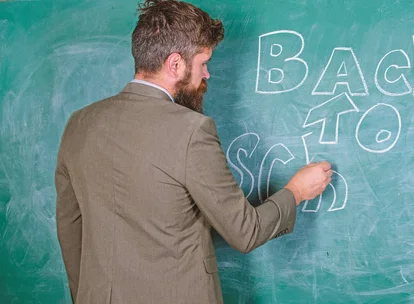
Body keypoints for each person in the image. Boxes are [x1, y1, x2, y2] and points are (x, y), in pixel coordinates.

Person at [54, 0, 332, 303]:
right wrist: (297, 191)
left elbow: (70, 228)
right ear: (175, 64)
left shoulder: (79, 124)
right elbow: (244, 231)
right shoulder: (191, 130)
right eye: (203, 63)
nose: (207, 75)